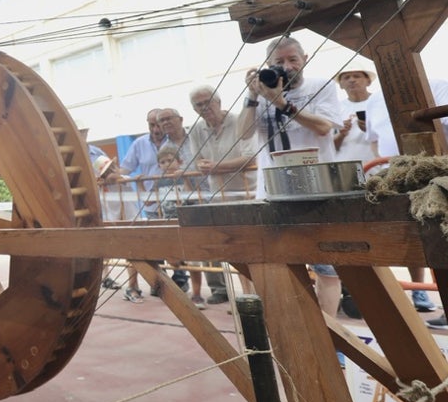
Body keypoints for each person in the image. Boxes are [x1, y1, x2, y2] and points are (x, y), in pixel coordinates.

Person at [241, 36, 341, 316]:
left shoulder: (321, 86)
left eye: (292, 59)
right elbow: (243, 134)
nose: (286, 67)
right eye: (278, 62)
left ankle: (331, 337)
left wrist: (283, 103)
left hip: (317, 189)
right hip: (273, 192)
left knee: (326, 266)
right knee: (280, 264)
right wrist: (252, 96)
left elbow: (323, 127)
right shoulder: (260, 96)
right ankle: (299, 330)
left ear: (305, 58)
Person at [364, 75, 448, 319]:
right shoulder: (375, 100)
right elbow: (374, 141)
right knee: (418, 240)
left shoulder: (438, 85)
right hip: (402, 184)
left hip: (437, 175)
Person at [188, 85, 257, 304]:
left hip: (248, 194)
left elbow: (250, 159)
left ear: (218, 101)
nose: (205, 107)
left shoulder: (240, 121)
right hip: (219, 197)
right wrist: (208, 166)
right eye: (199, 104)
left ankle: (255, 296)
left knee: (250, 249)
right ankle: (242, 296)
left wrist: (216, 166)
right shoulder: (196, 130)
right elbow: (199, 161)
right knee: (229, 249)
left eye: (208, 101)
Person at [153, 144, 206, 308]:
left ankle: (197, 295)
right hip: (169, 225)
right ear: (159, 165)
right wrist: (140, 183)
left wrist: (184, 178)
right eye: (163, 162)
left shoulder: (186, 176)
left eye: (170, 160)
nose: (167, 164)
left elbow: (192, 196)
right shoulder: (159, 181)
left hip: (186, 225)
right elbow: (150, 200)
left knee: (194, 263)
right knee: (172, 259)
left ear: (179, 161)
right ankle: (180, 271)